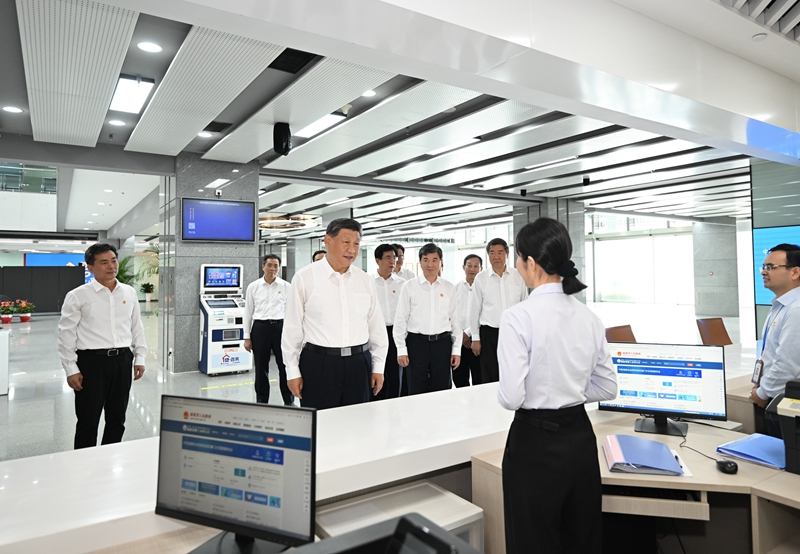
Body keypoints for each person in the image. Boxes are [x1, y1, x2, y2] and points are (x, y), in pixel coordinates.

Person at [497, 218, 617, 554]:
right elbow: (608, 387)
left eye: (518, 259)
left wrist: (546, 389)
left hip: (535, 445)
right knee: (582, 541)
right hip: (580, 439)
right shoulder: (589, 317)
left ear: (530, 263)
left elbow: (511, 397)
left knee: (532, 542)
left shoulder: (517, 317)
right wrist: (572, 389)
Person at [282, 218, 388, 409]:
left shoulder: (364, 280)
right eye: (346, 242)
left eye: (356, 244)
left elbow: (376, 327)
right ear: (328, 241)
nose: (352, 249)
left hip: (359, 363)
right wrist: (292, 371)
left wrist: (378, 367)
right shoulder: (305, 277)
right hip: (319, 364)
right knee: (320, 421)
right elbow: (292, 329)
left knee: (358, 420)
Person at [57, 243, 147, 449]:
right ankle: (84, 462)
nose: (111, 266)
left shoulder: (129, 292)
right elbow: (66, 334)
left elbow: (136, 327)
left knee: (117, 419)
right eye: (104, 262)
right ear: (90, 267)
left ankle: (110, 459)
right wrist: (71, 368)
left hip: (122, 360)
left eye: (113, 260)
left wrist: (140, 357)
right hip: (91, 363)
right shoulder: (78, 295)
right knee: (88, 421)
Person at [394, 243, 461, 395]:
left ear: (441, 262)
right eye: (426, 260)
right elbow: (401, 320)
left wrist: (456, 350)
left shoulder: (448, 287)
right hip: (416, 344)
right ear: (420, 262)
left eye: (434, 260)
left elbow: (455, 321)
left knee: (442, 389)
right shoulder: (409, 286)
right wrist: (401, 349)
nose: (430, 264)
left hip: (442, 344)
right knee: (415, 387)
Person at [750, 243, 800, 438]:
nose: (764, 272)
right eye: (763, 266)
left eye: (771, 267)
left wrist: (763, 392)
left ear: (795, 272)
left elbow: (787, 364)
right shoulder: (781, 305)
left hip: (784, 400)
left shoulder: (796, 309)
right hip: (777, 395)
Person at [469, 238, 528, 383]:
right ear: (488, 255)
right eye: (492, 253)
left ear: (507, 253)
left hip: (514, 332)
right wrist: (475, 338)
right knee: (490, 373)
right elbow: (474, 309)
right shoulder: (481, 278)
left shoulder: (518, 276)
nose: (496, 256)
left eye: (500, 252)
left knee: (514, 371)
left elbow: (525, 305)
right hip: (489, 334)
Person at [244, 254, 292, 405]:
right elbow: (248, 312)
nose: (272, 269)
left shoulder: (286, 286)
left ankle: (289, 400)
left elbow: (291, 312)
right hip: (260, 328)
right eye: (269, 265)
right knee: (261, 367)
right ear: (263, 267)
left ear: (279, 268)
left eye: (276, 266)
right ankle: (262, 401)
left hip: (281, 328)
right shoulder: (253, 287)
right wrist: (247, 337)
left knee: (284, 365)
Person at [372, 244, 405, 400]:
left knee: (395, 374)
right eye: (388, 258)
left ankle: (394, 404)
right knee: (376, 370)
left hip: (395, 332)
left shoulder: (402, 284)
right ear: (377, 260)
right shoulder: (368, 282)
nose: (392, 261)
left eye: (394, 258)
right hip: (375, 332)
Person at [454, 254, 482, 388]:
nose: (472, 269)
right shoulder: (455, 288)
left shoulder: (483, 288)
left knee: (479, 378)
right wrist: (461, 334)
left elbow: (483, 314)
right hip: (458, 340)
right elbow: (450, 313)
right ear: (463, 267)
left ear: (481, 269)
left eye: (476, 266)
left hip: (477, 340)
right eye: (469, 265)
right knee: (459, 379)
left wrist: (468, 333)